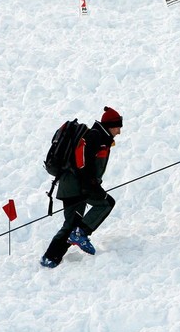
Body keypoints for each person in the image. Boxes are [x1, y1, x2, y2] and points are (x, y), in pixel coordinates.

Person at [40, 106, 123, 268]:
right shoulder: (95, 136)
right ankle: (53, 255)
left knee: (75, 222)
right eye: (118, 127)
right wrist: (91, 184)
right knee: (78, 221)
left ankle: (53, 256)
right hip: (74, 187)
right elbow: (81, 162)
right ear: (111, 126)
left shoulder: (101, 138)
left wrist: (91, 184)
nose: (119, 131)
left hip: (80, 186)